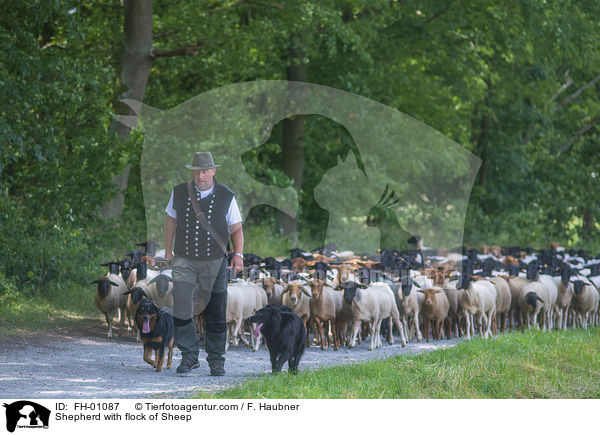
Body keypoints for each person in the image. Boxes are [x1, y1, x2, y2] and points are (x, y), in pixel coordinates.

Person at [164, 152, 244, 376]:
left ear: (213, 171)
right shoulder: (179, 192)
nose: (200, 176)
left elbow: (236, 228)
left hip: (215, 260)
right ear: (192, 172)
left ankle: (216, 359)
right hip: (184, 258)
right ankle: (189, 356)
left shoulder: (227, 195)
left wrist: (238, 255)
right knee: (181, 307)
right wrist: (168, 250)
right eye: (197, 172)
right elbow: (171, 220)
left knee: (216, 309)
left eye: (205, 171)